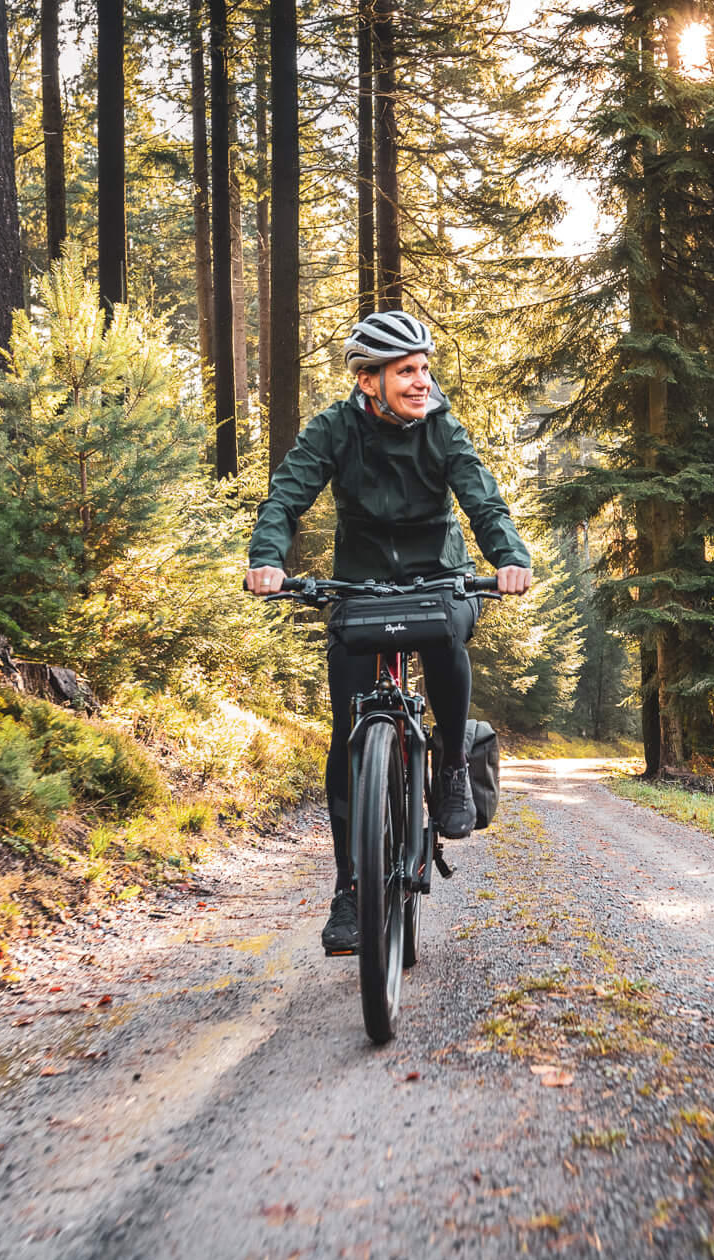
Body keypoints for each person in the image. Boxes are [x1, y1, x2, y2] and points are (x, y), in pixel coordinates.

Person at [246, 310, 533, 955]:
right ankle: (350, 889)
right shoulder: (334, 429)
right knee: (344, 735)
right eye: (406, 371)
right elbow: (286, 496)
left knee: (444, 636)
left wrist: (508, 558)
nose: (422, 381)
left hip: (441, 579)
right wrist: (268, 559)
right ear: (368, 380)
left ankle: (451, 764)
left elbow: (482, 499)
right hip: (361, 585)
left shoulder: (442, 429)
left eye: (424, 368)